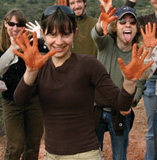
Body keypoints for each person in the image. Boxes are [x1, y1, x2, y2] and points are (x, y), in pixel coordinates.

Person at [12, 5, 152, 160]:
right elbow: (20, 100)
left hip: (86, 154)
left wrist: (130, 82)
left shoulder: (89, 65)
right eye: (52, 34)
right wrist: (30, 71)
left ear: (74, 33)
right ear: (43, 35)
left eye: (65, 34)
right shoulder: (40, 67)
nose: (59, 41)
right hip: (52, 155)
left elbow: (121, 104)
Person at [91, 5, 149, 160]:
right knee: (93, 154)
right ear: (115, 27)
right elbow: (95, 36)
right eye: (122, 21)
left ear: (136, 28)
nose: (127, 24)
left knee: (119, 155)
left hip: (121, 112)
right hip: (97, 108)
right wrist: (99, 25)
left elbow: (140, 84)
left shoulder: (138, 54)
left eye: (132, 22)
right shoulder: (105, 43)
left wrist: (132, 101)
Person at [0, 9, 43, 160]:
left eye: (20, 24)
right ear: (5, 24)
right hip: (11, 101)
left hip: (33, 99)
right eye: (11, 24)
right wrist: (12, 50)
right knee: (15, 145)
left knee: (33, 143)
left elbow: (47, 60)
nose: (15, 28)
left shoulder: (32, 42)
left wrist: (42, 39)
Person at [125, 1, 157, 159]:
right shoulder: (146, 21)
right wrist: (130, 2)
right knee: (152, 129)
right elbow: (124, 22)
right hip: (151, 78)